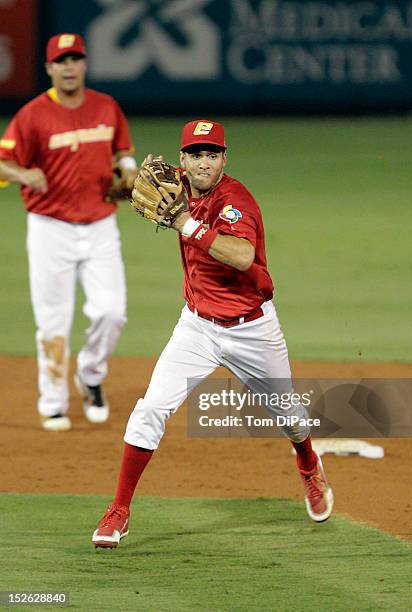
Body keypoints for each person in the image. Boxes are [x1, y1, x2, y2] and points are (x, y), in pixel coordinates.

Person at [91, 120, 333, 548]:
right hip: (197, 326)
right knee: (151, 409)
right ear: (183, 159)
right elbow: (141, 187)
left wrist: (186, 224)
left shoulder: (236, 200)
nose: (204, 163)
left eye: (213, 154)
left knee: (290, 420)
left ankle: (308, 463)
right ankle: (119, 511)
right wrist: (124, 187)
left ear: (225, 158)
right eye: (196, 154)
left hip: (252, 329)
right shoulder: (180, 183)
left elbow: (241, 256)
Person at [0, 33, 137, 431]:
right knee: (53, 320)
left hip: (100, 225)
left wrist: (127, 171)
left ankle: (90, 376)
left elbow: (122, 151)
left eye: (75, 58)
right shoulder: (32, 115)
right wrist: (24, 172)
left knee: (112, 312)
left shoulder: (106, 107)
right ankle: (53, 401)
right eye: (61, 61)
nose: (69, 66)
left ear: (85, 64)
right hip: (49, 229)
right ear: (49, 68)